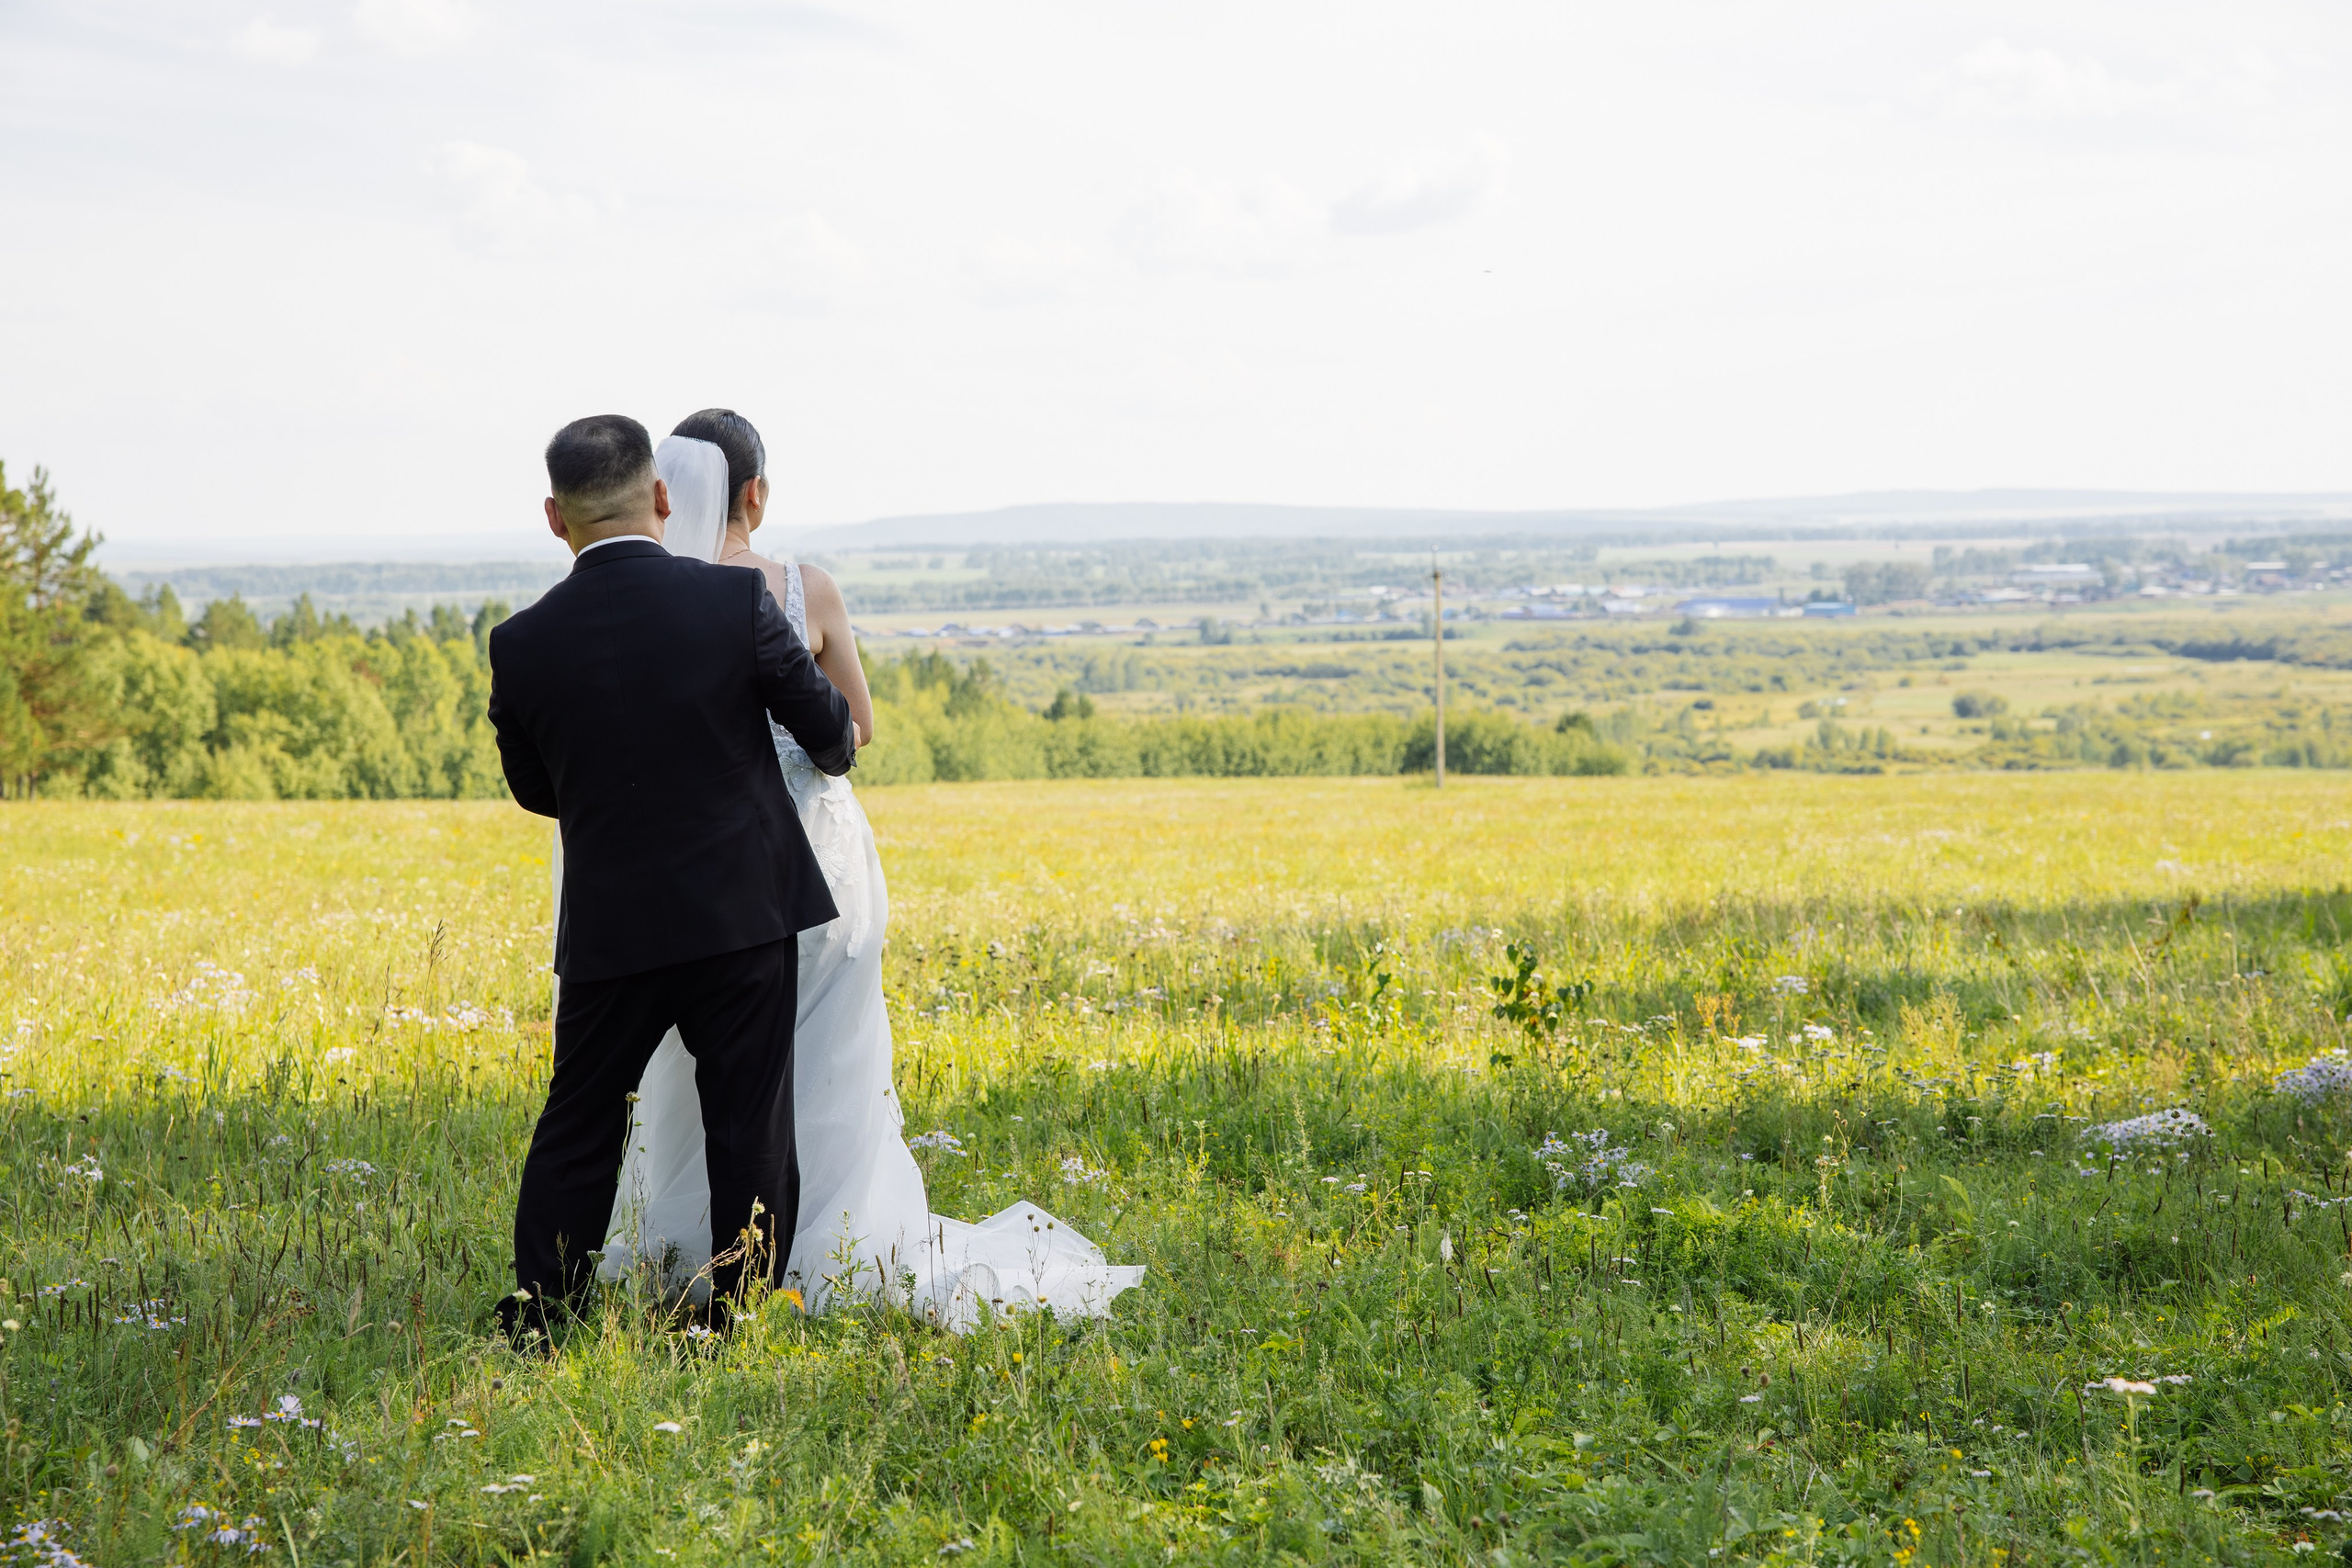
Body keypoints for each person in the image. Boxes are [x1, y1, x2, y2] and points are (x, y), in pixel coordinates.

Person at [600, 409, 1143, 1329]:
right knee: (828, 1057)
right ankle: (833, 1249)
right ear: (755, 494)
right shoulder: (802, 590)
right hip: (821, 863)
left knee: (698, 1062)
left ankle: (693, 1248)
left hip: (694, 878)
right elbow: (855, 726)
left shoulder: (653, 599)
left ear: (664, 495)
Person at [486, 413, 857, 1337]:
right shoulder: (734, 607)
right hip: (743, 908)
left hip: (613, 923)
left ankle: (545, 1316)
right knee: (747, 1120)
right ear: (658, 498)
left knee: (580, 1120)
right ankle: (735, 1316)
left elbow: (539, 791)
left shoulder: (521, 642)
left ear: (553, 516)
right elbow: (830, 738)